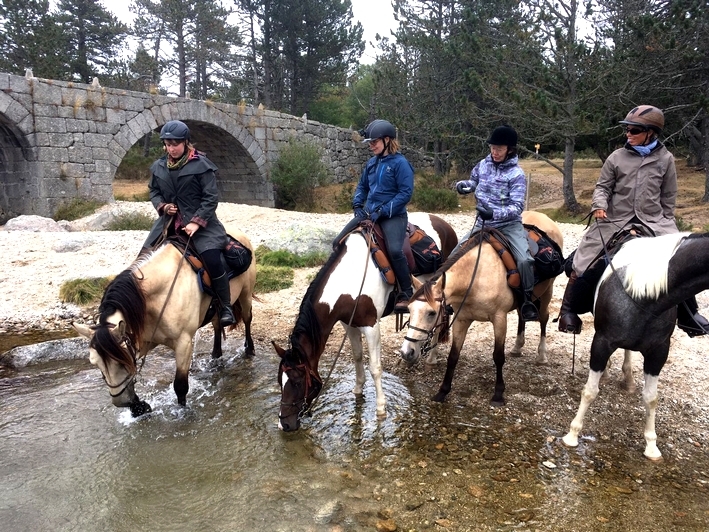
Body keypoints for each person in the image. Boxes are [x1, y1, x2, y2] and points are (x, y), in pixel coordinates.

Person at [558, 105, 709, 336]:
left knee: (681, 259)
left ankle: (689, 315)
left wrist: (666, 220)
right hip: (616, 219)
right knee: (585, 254)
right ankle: (568, 310)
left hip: (654, 221)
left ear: (651, 132)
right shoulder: (616, 157)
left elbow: (669, 195)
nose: (629, 134)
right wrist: (599, 205)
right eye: (627, 130)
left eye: (635, 130)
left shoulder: (666, 159)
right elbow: (602, 188)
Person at [142, 119, 236, 327]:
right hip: (168, 224)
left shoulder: (201, 165)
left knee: (212, 259)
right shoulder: (159, 166)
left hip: (203, 226)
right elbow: (154, 191)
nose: (171, 148)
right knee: (143, 257)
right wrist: (163, 206)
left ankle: (225, 306)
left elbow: (210, 198)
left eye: (175, 144)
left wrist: (196, 222)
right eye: (167, 144)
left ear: (185, 142)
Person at [455, 125, 539, 322]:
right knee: (455, 253)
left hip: (509, 225)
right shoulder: (483, 165)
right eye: (493, 148)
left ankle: (527, 299)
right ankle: (449, 297)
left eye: (499, 149)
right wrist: (464, 186)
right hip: (482, 223)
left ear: (509, 149)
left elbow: (517, 206)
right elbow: (473, 181)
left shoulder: (516, 174)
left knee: (525, 260)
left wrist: (494, 212)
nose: (495, 152)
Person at [333, 119, 415, 313]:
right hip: (369, 213)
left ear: (387, 140)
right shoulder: (371, 163)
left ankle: (407, 291)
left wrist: (384, 211)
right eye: (369, 142)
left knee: (395, 251)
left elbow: (405, 194)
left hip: (393, 216)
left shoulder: (401, 163)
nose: (371, 145)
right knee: (337, 242)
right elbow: (363, 186)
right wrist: (357, 204)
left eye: (374, 141)